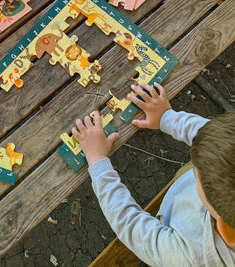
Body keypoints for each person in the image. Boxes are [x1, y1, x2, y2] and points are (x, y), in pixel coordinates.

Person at [72, 82, 235, 266]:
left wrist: (97, 159)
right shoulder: (225, 208)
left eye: (197, 174)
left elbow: (129, 224)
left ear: (225, 230)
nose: (195, 168)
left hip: (173, 223)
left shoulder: (186, 257)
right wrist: (168, 118)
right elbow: (215, 138)